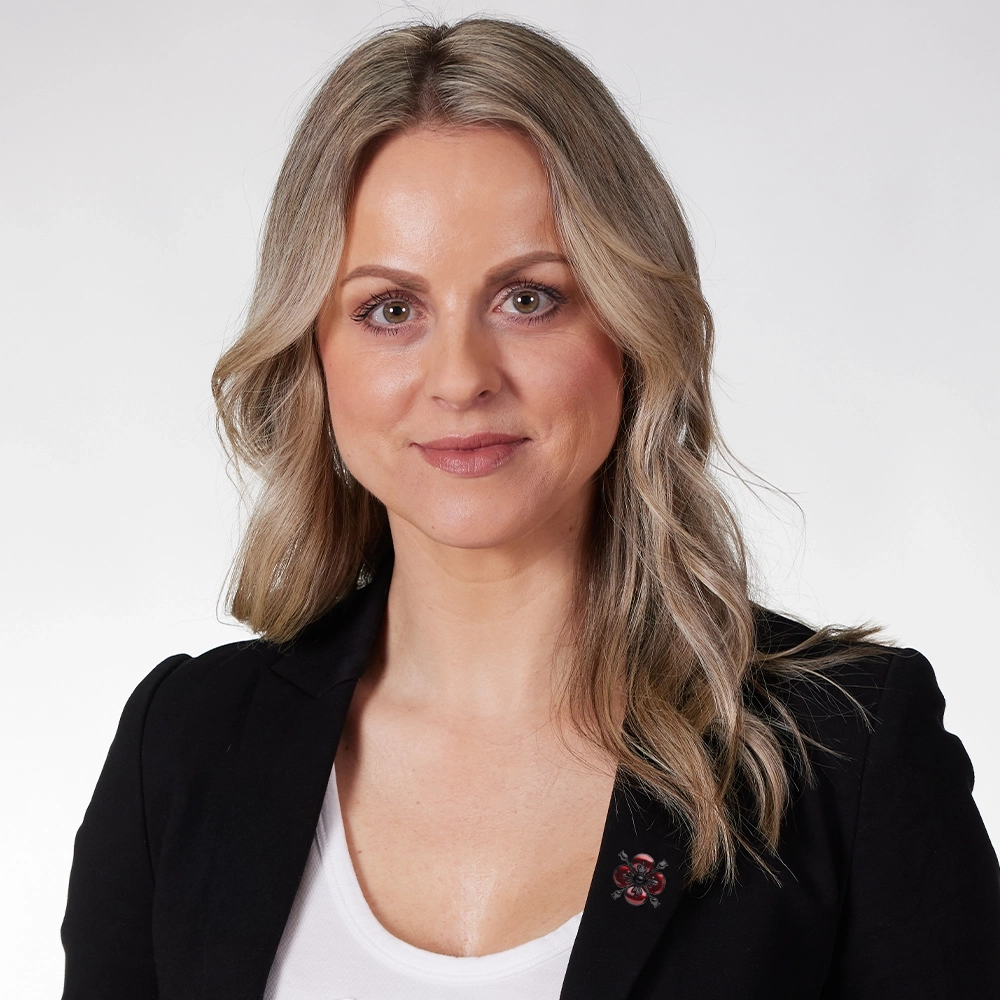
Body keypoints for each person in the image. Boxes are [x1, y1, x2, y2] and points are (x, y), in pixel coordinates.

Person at [60, 17, 1000, 1000]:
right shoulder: (181, 746)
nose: (460, 377)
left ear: (630, 325)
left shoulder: (842, 756)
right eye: (390, 308)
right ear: (314, 351)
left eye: (529, 299)